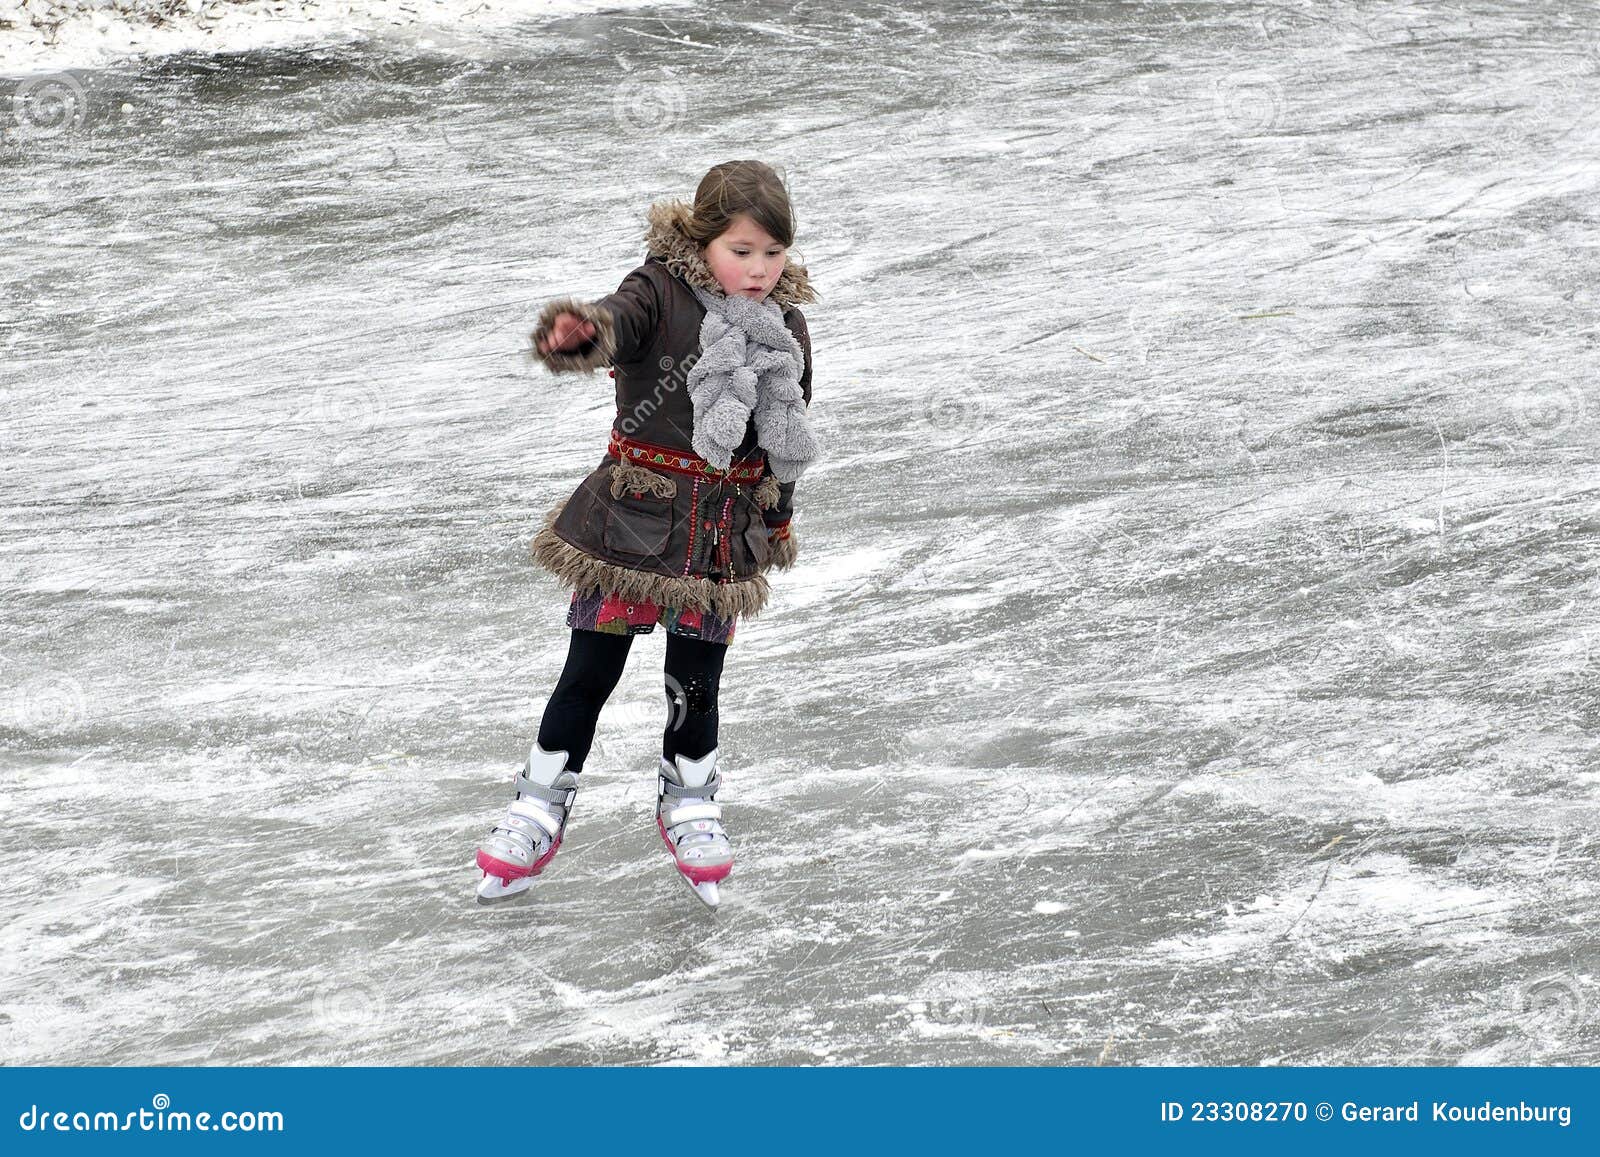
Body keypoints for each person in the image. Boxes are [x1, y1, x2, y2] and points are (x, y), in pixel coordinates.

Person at [474, 159, 821, 909]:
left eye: (772, 252)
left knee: (696, 682)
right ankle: (539, 804)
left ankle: (690, 799)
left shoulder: (786, 329)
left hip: (716, 540)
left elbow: (788, 433)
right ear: (704, 239)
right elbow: (615, 322)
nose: (758, 269)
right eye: (742, 250)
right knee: (588, 672)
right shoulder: (658, 291)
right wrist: (585, 331)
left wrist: (778, 512)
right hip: (630, 527)